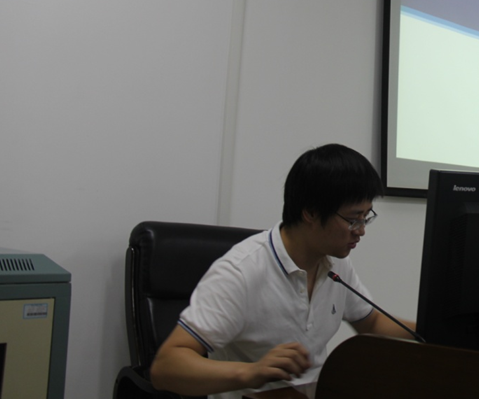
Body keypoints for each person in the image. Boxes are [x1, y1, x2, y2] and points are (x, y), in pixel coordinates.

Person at [150, 143, 416, 399]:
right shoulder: (241, 272)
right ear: (311, 213)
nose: (361, 230)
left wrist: (433, 330)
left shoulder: (335, 263)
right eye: (353, 219)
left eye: (366, 217)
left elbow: (372, 323)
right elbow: (166, 368)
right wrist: (252, 372)